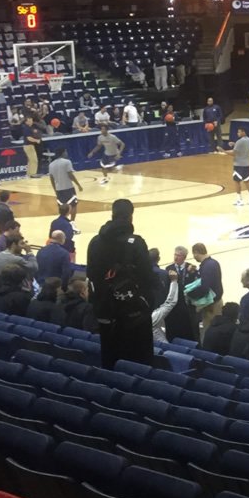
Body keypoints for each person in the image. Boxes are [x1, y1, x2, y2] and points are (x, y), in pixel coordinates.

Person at [87, 198, 155, 370]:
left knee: (110, 361)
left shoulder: (94, 242)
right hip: (133, 315)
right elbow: (148, 277)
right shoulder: (136, 242)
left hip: (105, 313)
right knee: (138, 365)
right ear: (130, 217)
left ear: (112, 214)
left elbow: (91, 275)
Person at [49, 152, 82, 222]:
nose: (67, 153)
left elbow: (51, 179)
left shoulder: (51, 164)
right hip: (68, 188)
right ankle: (72, 222)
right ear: (63, 153)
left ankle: (63, 221)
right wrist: (78, 184)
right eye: (65, 152)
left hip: (59, 189)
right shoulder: (67, 162)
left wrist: (55, 189)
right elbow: (70, 174)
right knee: (73, 205)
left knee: (62, 207)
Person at [192, 242, 223, 317]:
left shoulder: (206, 266)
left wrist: (192, 295)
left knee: (209, 327)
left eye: (193, 254)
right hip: (216, 302)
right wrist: (196, 272)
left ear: (196, 252)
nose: (193, 256)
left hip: (211, 306)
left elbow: (205, 287)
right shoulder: (213, 263)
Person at [231, 131, 249, 206]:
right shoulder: (248, 140)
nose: (237, 133)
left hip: (239, 165)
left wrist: (223, 151)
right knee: (247, 181)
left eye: (239, 132)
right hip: (246, 164)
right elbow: (242, 147)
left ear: (243, 132)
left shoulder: (239, 141)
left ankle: (239, 199)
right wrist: (235, 144)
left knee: (236, 181)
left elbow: (233, 153)